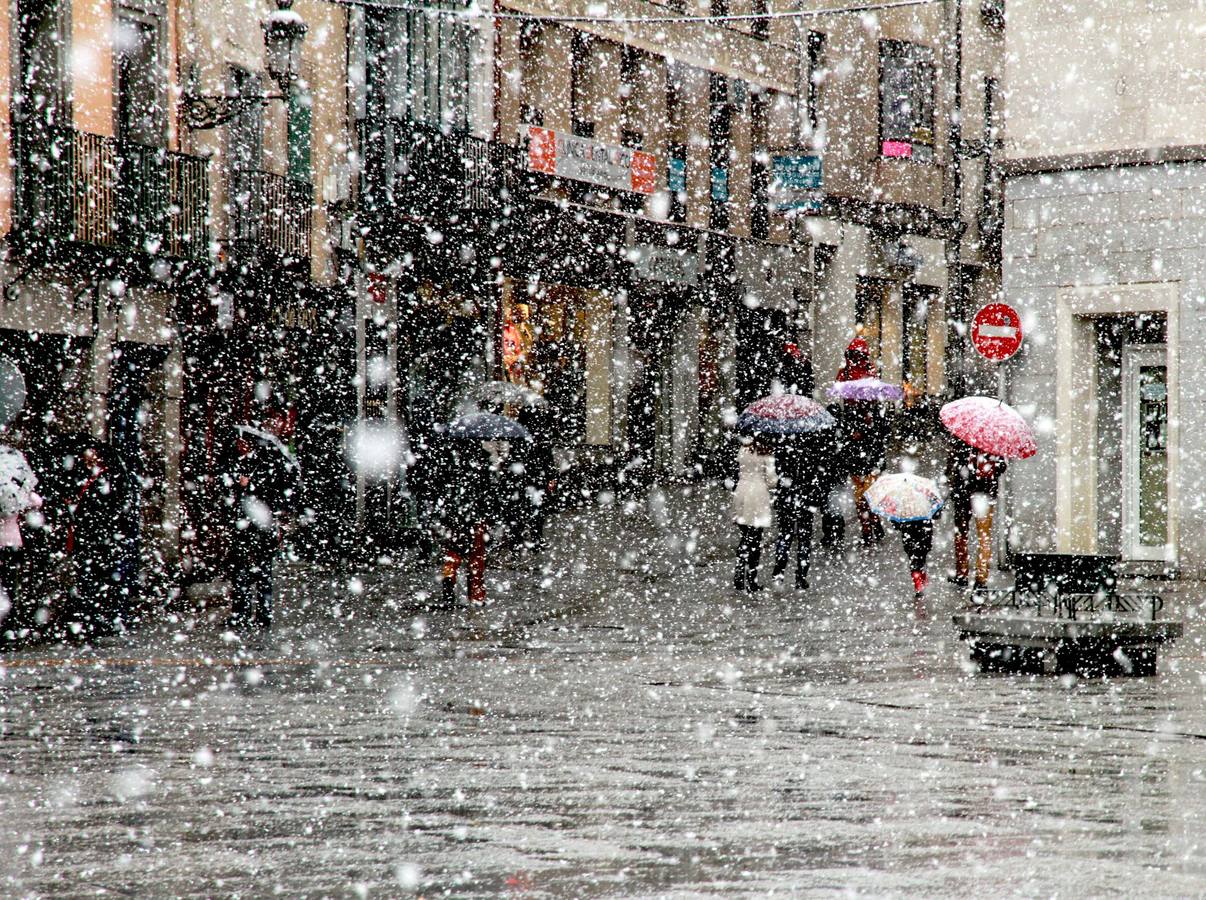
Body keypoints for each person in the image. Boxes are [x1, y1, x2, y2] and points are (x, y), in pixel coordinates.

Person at [224, 424, 300, 629]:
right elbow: (233, 497)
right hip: (244, 528)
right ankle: (241, 612)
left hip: (261, 528)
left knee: (263, 572)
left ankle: (263, 613)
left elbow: (272, 497)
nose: (240, 447)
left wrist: (249, 486)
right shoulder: (238, 465)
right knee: (241, 572)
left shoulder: (267, 466)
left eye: (243, 443)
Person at [437, 440, 500, 606]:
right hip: (475, 515)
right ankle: (476, 596)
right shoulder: (482, 461)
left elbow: (443, 489)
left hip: (454, 515)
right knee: (476, 557)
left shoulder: (450, 460)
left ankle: (449, 575)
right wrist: (491, 516)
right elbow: (489, 492)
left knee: (453, 550)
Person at [772, 431, 834, 589]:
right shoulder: (813, 448)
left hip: (788, 499)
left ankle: (779, 573)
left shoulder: (782, 446)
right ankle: (800, 575)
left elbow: (778, 473)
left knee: (785, 535)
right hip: (806, 500)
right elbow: (820, 474)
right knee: (803, 538)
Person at [945, 436, 1007, 591]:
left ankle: (962, 573)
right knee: (984, 536)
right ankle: (981, 578)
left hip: (963, 494)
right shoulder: (993, 440)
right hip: (986, 494)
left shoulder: (961, 437)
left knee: (961, 534)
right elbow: (1001, 467)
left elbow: (952, 465)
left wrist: (953, 478)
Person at [731, 436, 777, 594]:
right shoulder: (766, 452)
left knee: (745, 536)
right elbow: (771, 481)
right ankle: (752, 580)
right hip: (757, 496)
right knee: (755, 540)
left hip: (741, 492)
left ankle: (739, 576)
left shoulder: (742, 449)